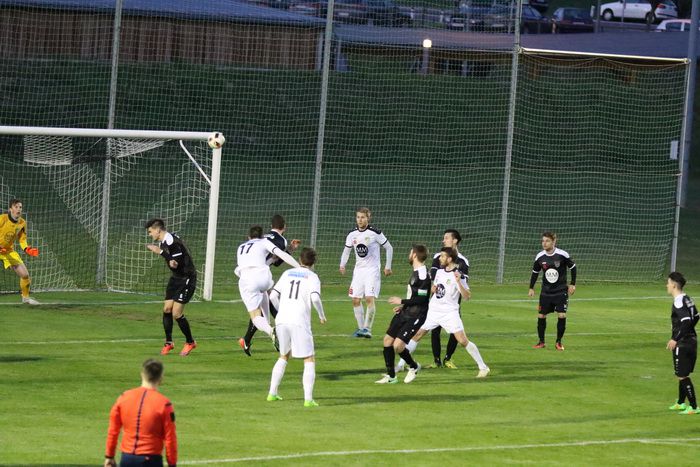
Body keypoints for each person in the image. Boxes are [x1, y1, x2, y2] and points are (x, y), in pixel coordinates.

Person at [403, 247, 490, 383]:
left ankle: (483, 367)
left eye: (442, 256)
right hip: (434, 311)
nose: (440, 258)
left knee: (462, 340)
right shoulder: (439, 272)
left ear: (449, 259)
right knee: (417, 335)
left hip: (449, 313)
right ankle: (400, 365)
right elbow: (436, 290)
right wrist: (432, 290)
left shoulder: (458, 275)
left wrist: (459, 282)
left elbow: (467, 296)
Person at [266, 248, 326, 407]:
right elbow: (315, 298)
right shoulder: (312, 277)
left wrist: (281, 312)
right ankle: (308, 399)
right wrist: (321, 315)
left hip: (281, 320)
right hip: (299, 321)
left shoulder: (287, 273)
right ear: (313, 263)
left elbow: (273, 296)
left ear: (299, 260)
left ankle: (272, 393)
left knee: (283, 355)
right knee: (309, 358)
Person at [239, 214, 301, 356]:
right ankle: (280, 335)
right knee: (270, 308)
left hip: (247, 279)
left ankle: (271, 335)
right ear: (284, 227)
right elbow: (277, 261)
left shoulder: (252, 242)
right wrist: (296, 261)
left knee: (258, 313)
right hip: (263, 275)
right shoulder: (278, 240)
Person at [105, 359, 177, 467]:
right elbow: (170, 438)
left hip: (127, 459)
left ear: (142, 374)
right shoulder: (164, 404)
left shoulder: (124, 397)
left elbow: (113, 430)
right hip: (151, 460)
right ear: (161, 378)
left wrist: (109, 456)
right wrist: (172, 463)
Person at [375, 245, 432, 384]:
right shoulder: (416, 271)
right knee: (387, 340)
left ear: (414, 255)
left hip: (417, 315)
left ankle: (414, 366)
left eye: (410, 252)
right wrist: (403, 306)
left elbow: (422, 299)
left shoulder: (423, 274)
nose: (409, 254)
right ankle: (391, 377)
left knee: (398, 346)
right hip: (406, 311)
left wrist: (401, 301)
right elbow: (414, 296)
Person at [146, 218, 197, 357]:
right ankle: (169, 342)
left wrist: (160, 252)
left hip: (187, 278)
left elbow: (175, 263)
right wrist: (162, 252)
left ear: (158, 230)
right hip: (176, 278)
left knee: (176, 313)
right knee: (167, 309)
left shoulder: (172, 242)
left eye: (150, 231)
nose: (150, 234)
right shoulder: (164, 241)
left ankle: (190, 342)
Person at [339, 207, 393, 338]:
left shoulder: (375, 233)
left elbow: (389, 247)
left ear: (368, 218)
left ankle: (367, 329)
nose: (360, 220)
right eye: (358, 217)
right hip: (358, 271)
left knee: (369, 298)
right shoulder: (352, 234)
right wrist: (342, 264)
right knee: (355, 300)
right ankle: (361, 328)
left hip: (372, 270)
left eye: (362, 217)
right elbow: (347, 251)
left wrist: (387, 266)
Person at [528, 231, 576, 350]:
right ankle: (541, 342)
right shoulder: (540, 256)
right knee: (541, 315)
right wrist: (531, 287)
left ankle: (558, 342)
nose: (544, 243)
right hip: (546, 292)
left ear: (554, 242)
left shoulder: (562, 255)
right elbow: (535, 272)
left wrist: (572, 284)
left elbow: (573, 267)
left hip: (560, 291)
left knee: (562, 315)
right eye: (543, 241)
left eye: (547, 241)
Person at [666, 272, 698, 415]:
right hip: (692, 341)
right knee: (682, 373)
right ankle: (680, 403)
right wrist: (689, 330)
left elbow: (686, 321)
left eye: (668, 283)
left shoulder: (678, 301)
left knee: (682, 376)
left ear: (674, 285)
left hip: (683, 343)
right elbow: (696, 316)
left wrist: (675, 338)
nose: (667, 285)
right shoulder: (687, 298)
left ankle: (694, 407)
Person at [0, 199, 40, 305]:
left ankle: (25, 298)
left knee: (25, 275)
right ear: (10, 209)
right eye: (16, 207)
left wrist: (27, 249)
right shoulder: (2, 219)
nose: (18, 209)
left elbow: (22, 239)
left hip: (7, 251)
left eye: (20, 207)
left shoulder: (22, 223)